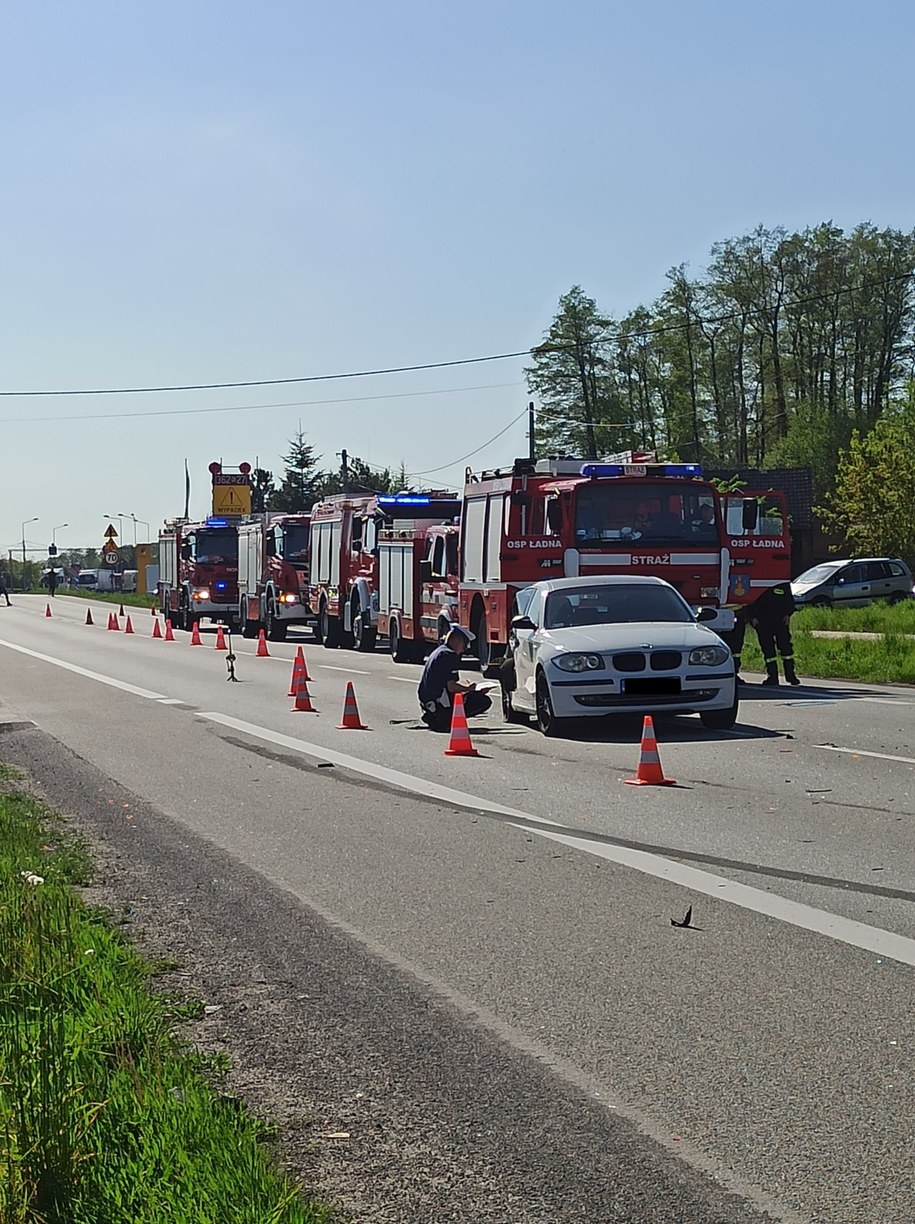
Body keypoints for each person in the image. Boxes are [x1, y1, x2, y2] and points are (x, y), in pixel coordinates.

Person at [418, 624, 492, 731]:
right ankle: (447, 719)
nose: (463, 650)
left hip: (429, 703)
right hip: (439, 704)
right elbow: (451, 687)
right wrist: (469, 689)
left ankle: (438, 718)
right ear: (457, 640)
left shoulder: (439, 651)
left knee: (471, 696)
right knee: (483, 701)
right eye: (464, 645)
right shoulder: (449, 655)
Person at [729, 584, 799, 686]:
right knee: (768, 650)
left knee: (786, 649)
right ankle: (773, 677)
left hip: (780, 621)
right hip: (762, 621)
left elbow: (788, 600)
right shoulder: (756, 583)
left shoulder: (782, 584)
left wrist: (788, 614)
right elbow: (750, 601)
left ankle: (790, 675)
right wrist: (752, 617)